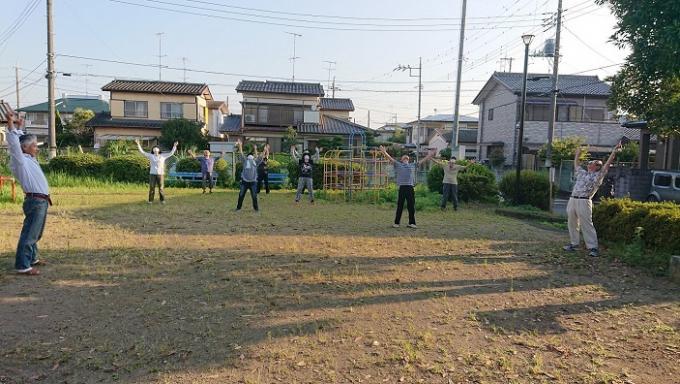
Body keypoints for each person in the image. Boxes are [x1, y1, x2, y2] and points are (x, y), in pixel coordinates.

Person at [6, 112, 50, 275]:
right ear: (25, 149)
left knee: (36, 232)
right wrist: (10, 124)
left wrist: (19, 126)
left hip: (41, 201)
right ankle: (23, 265)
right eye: (34, 146)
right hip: (35, 201)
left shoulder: (29, 158)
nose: (37, 149)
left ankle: (32, 258)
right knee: (30, 233)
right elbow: (14, 144)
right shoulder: (20, 161)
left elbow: (20, 140)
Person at [564, 141, 622, 257]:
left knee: (586, 223)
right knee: (572, 222)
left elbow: (607, 164)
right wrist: (577, 153)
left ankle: (593, 247)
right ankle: (574, 244)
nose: (589, 164)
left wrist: (614, 152)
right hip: (573, 199)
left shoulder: (598, 175)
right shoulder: (582, 173)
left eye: (593, 163)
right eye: (590, 162)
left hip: (585, 200)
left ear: (597, 167)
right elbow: (576, 164)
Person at [379, 145, 434, 228]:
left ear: (408, 160)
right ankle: (396, 223)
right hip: (402, 187)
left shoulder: (412, 165)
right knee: (400, 205)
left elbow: (423, 161)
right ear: (401, 160)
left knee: (411, 206)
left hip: (410, 187)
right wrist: (384, 152)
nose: (406, 158)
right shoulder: (398, 164)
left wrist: (430, 155)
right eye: (404, 158)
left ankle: (412, 223)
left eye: (407, 158)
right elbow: (390, 158)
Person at [136, 139, 177, 204]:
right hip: (152, 174)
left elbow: (171, 153)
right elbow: (142, 152)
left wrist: (174, 146)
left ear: (159, 150)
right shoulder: (150, 156)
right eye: (154, 148)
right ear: (152, 150)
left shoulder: (163, 156)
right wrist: (138, 144)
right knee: (152, 187)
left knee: (161, 188)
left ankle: (162, 200)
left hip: (160, 174)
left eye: (156, 148)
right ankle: (150, 201)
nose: (155, 149)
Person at [235, 140, 268, 211]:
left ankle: (255, 209)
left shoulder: (253, 161)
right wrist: (264, 150)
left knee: (253, 196)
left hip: (252, 182)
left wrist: (240, 146)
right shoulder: (247, 161)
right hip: (245, 181)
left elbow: (260, 157)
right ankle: (239, 208)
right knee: (243, 195)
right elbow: (260, 157)